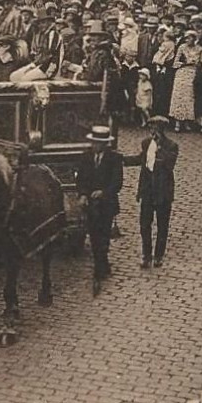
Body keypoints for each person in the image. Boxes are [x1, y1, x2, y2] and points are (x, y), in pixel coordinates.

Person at [124, 115, 179, 269]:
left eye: (156, 129)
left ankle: (159, 256)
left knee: (162, 226)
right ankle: (146, 255)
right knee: (144, 225)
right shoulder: (146, 143)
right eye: (151, 128)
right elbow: (140, 159)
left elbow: (168, 165)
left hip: (163, 192)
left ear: (162, 130)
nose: (153, 132)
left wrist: (159, 148)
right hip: (147, 190)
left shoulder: (171, 146)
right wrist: (121, 160)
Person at [75, 125, 123, 295]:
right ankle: (101, 263)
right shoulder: (86, 157)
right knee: (94, 235)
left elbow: (117, 183)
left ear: (105, 145)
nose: (94, 146)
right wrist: (82, 194)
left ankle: (100, 267)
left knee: (103, 235)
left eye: (98, 143)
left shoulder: (115, 159)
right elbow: (80, 179)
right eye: (93, 142)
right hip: (90, 204)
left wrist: (103, 192)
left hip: (107, 204)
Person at [170, 30, 201, 131]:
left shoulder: (199, 49)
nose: (188, 40)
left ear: (194, 38)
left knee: (189, 97)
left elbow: (199, 63)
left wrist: (195, 64)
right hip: (181, 73)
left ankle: (187, 122)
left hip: (192, 73)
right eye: (186, 38)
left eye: (190, 38)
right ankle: (178, 123)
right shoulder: (182, 47)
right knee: (179, 97)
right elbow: (175, 62)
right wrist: (184, 63)